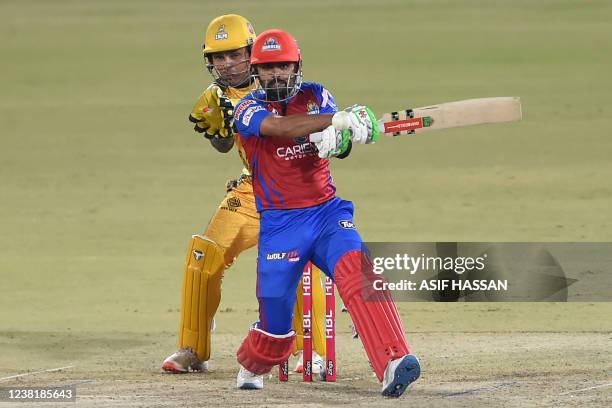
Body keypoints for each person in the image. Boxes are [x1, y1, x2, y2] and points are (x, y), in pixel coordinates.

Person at [232, 29, 421, 397]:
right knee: (274, 316)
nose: (276, 75)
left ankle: (394, 361)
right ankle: (253, 363)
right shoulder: (246, 107)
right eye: (267, 68)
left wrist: (346, 136)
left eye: (283, 66)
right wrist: (335, 121)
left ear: (296, 66)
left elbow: (339, 141)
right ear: (255, 72)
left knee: (360, 274)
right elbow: (280, 128)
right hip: (281, 222)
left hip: (326, 214)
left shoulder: (316, 95)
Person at [162, 15, 329, 375]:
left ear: (252, 52)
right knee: (203, 254)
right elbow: (224, 146)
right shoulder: (214, 96)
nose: (226, 64)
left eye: (234, 54)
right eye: (217, 57)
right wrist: (219, 129)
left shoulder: (282, 82)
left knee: (299, 262)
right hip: (251, 189)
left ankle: (312, 351)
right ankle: (193, 348)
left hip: (293, 193)